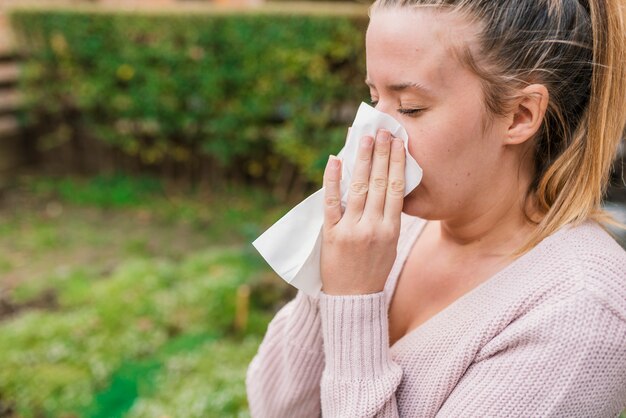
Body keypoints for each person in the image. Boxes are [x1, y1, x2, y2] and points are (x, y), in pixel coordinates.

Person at [246, 0, 626, 416]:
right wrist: (328, 269)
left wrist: (354, 299)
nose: (372, 134)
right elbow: (276, 408)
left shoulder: (579, 309)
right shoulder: (393, 230)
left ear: (520, 114)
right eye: (374, 98)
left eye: (410, 107)